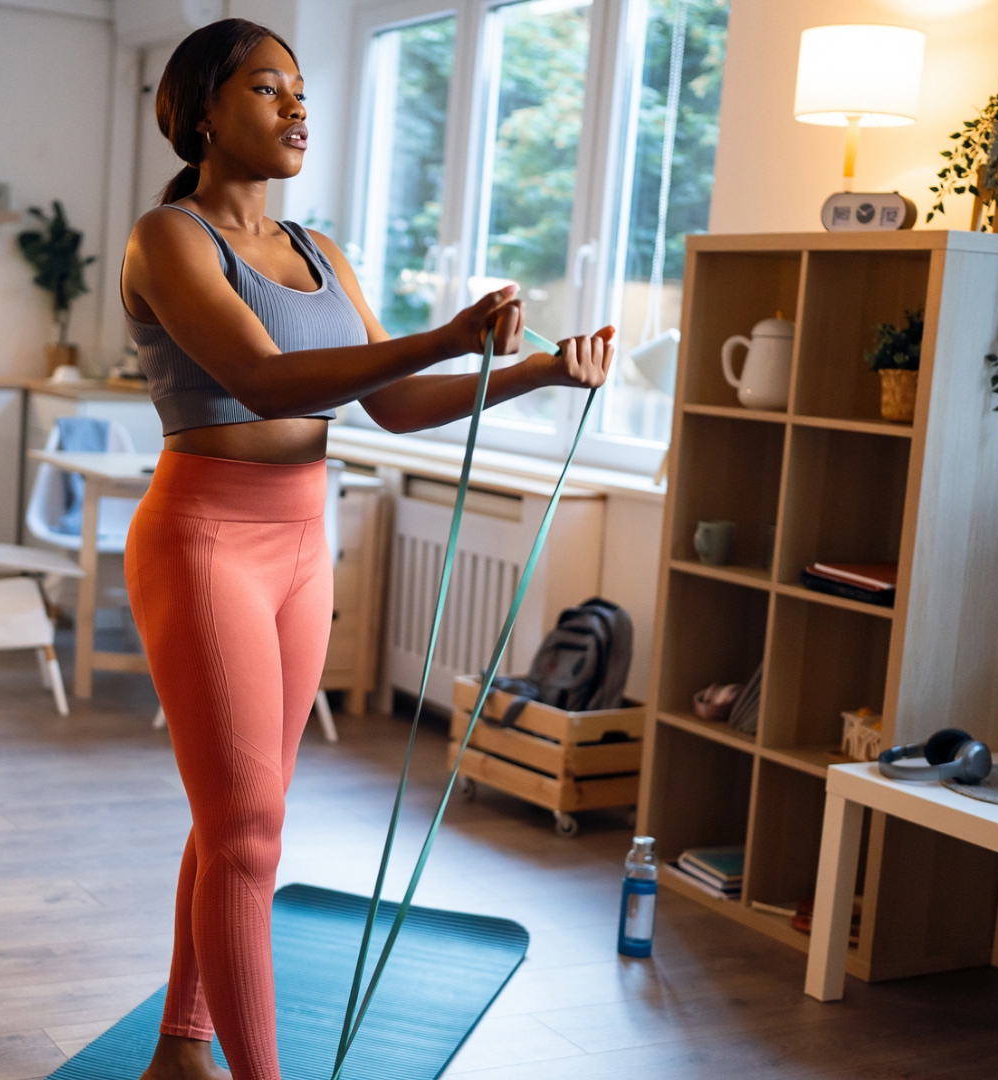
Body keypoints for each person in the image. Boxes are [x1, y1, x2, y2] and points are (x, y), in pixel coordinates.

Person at [120, 18, 615, 1080]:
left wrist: (535, 371)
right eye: (267, 88)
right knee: (247, 829)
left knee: (240, 819)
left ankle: (181, 1049)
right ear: (204, 109)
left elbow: (386, 404)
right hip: (206, 538)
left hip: (306, 536)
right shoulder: (169, 239)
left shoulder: (320, 251)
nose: (298, 106)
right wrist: (444, 330)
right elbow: (260, 378)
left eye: (303, 89)